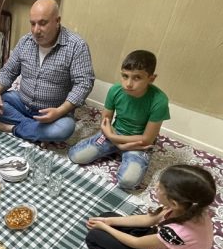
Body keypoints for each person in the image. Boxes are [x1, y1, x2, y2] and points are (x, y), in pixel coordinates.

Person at [85, 164, 216, 249]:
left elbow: (135, 242)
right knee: (107, 216)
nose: (156, 186)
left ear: (174, 202)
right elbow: (149, 219)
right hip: (159, 244)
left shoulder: (176, 233)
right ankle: (109, 223)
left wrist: (105, 227)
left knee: (94, 237)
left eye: (160, 187)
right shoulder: (189, 209)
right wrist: (110, 222)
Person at [0, 0, 94, 143]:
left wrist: (59, 112)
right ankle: (35, 130)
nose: (36, 30)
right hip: (22, 102)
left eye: (43, 23)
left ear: (57, 21)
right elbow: (8, 71)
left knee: (65, 129)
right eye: (32, 24)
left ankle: (10, 127)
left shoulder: (77, 46)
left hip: (53, 111)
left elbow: (84, 84)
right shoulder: (25, 41)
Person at [68, 50, 169, 190]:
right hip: (114, 133)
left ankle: (124, 153)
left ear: (151, 79)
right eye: (125, 76)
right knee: (75, 156)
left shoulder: (159, 101)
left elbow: (146, 139)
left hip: (137, 143)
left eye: (137, 78)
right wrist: (115, 139)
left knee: (128, 181)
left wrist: (114, 139)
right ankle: (117, 150)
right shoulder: (115, 90)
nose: (128, 83)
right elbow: (105, 121)